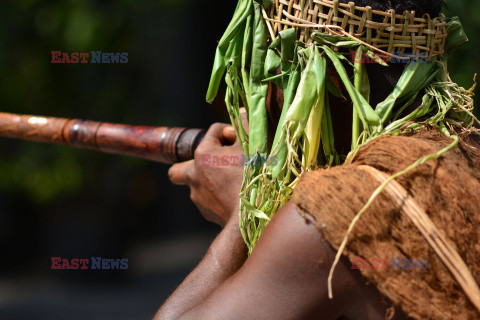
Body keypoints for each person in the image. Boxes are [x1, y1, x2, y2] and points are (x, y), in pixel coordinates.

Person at [154, 1, 480, 319]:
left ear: (322, 77)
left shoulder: (337, 217)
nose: (258, 107)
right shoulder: (470, 148)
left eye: (267, 76)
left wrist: (240, 214)